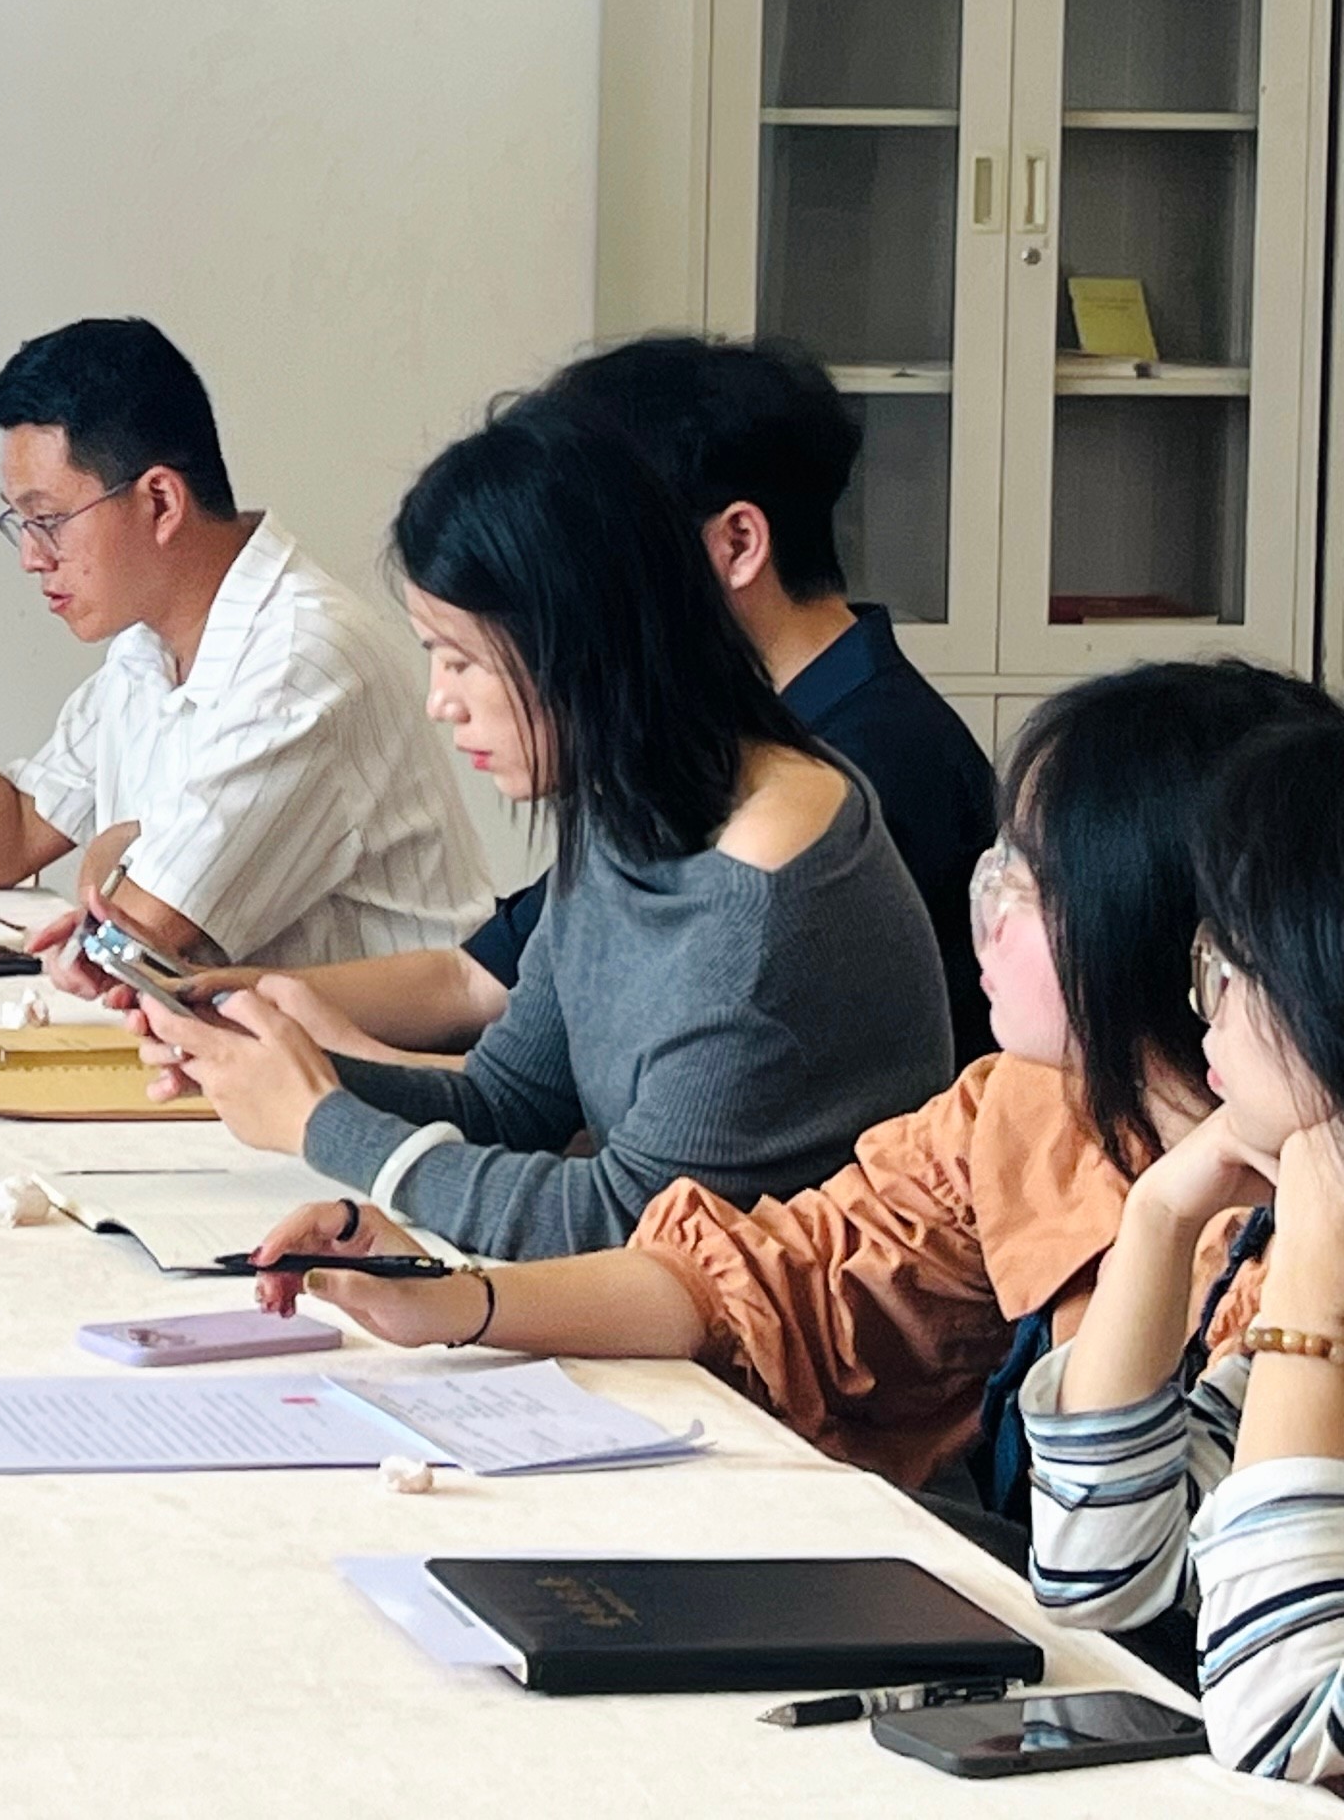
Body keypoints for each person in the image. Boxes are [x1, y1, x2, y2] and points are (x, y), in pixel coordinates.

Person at [249, 660, 1320, 1510]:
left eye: (1029, 880)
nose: (985, 905)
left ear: (1143, 923)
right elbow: (775, 1279)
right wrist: (458, 1300)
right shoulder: (1027, 1105)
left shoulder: (1306, 1218)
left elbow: (1178, 1592)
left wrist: (337, 1126)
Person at [139, 396, 955, 1258]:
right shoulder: (631, 805)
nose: (440, 701)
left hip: (766, 1342)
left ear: (581, 643)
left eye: (461, 659)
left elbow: (627, 1224)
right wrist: (271, 1064)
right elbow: (507, 1103)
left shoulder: (766, 884)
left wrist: (319, 1120)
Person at [260, 333, 999, 1060]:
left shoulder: (857, 776)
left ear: (737, 544)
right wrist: (244, 1002)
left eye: (592, 535)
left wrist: (317, 1077)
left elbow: (617, 1106)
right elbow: (483, 979)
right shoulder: (689, 750)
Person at [0, 316, 484, 973]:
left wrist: (106, 864)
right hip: (237, 1049)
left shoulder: (299, 660)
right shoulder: (147, 649)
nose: (32, 557)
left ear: (161, 501)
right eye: (20, 523)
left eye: (48, 520)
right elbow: (5, 843)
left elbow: (130, 937)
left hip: (387, 1066)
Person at [1020, 710, 1344, 1785]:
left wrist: (1315, 1284)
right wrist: (1160, 1216)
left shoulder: (1316, 1272)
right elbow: (1100, 1577)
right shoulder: (1285, 1235)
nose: (1208, 1005)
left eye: (1232, 961)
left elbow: (1283, 1725)